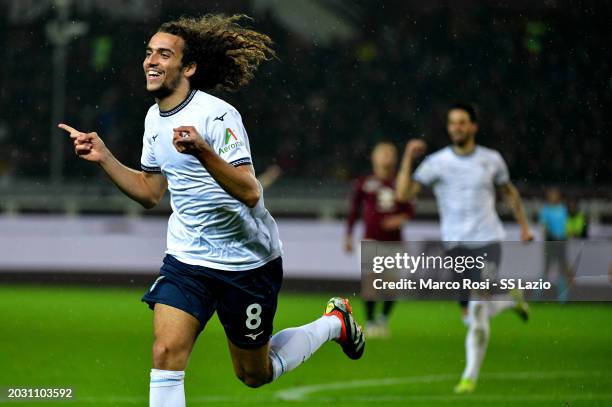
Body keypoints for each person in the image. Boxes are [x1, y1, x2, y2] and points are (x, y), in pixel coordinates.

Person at [59, 14, 364, 407]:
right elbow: (152, 192)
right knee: (165, 354)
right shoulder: (154, 119)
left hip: (247, 263)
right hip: (188, 260)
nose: (152, 61)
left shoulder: (218, 116)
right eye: (149, 53)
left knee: (255, 374)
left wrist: (204, 150)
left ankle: (332, 324)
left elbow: (250, 192)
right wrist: (105, 158)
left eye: (164, 54)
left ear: (188, 67)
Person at [395, 102, 532, 394]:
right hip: (455, 246)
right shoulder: (437, 162)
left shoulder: (491, 159)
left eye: (462, 122)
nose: (457, 127)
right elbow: (403, 194)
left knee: (478, 306)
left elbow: (509, 192)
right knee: (470, 316)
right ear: (449, 128)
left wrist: (523, 226)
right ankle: (510, 300)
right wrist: (407, 157)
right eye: (453, 123)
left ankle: (469, 377)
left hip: (488, 240)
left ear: (473, 127)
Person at [345, 141, 414, 338]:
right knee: (371, 280)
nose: (386, 156)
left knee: (392, 284)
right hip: (371, 240)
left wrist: (399, 218)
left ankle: (383, 319)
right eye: (382, 153)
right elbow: (353, 211)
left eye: (390, 153)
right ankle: (370, 321)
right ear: (374, 157)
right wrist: (348, 235)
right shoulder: (364, 183)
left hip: (394, 242)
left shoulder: (400, 183)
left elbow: (410, 210)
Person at [539, 187, 572, 301]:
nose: (553, 197)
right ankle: (536, 297)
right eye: (551, 195)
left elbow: (566, 226)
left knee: (562, 270)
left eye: (555, 194)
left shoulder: (562, 209)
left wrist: (564, 236)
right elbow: (544, 226)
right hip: (551, 241)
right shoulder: (546, 210)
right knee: (546, 269)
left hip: (561, 242)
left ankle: (563, 299)